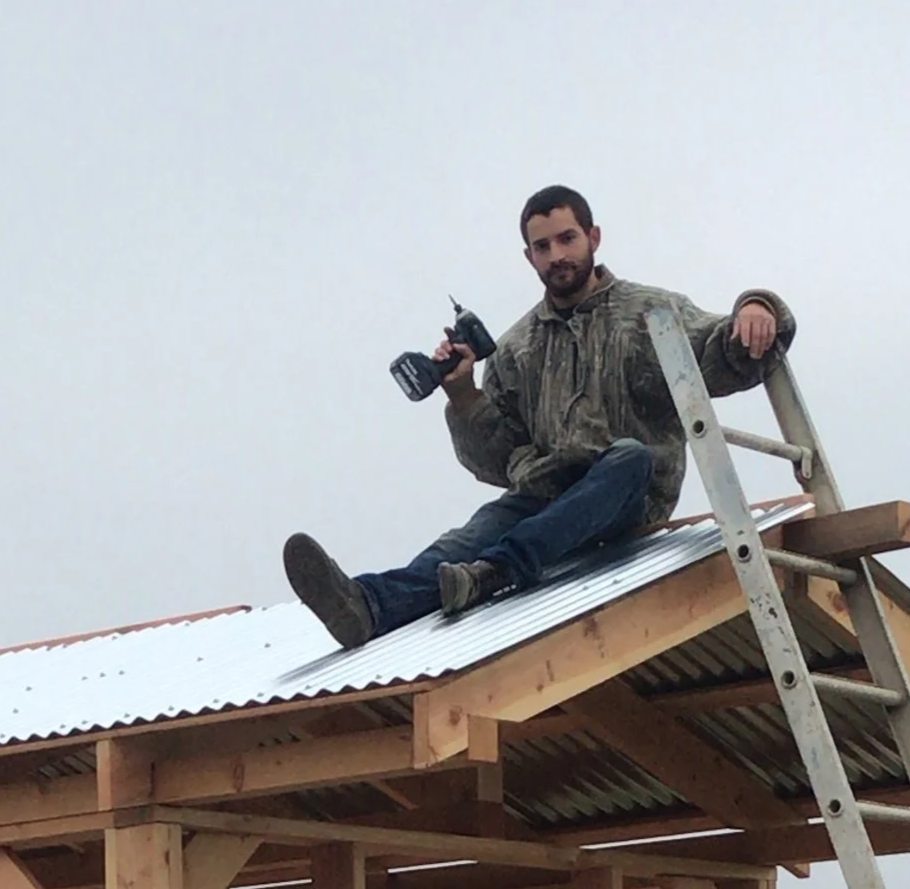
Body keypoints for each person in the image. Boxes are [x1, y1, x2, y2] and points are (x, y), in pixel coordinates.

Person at [284, 185, 795, 649]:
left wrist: (757, 307)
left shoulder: (652, 312)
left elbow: (721, 351)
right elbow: (497, 459)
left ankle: (496, 571)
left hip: (626, 499)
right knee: (460, 544)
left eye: (567, 239)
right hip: (543, 498)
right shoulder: (516, 349)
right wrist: (463, 395)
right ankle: (366, 605)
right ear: (529, 257)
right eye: (543, 247)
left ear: (593, 237)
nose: (557, 255)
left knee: (630, 458)